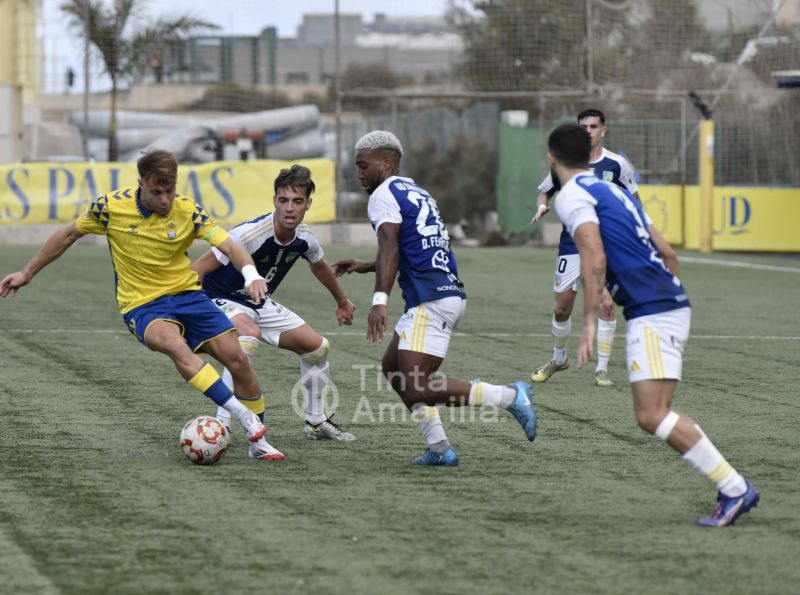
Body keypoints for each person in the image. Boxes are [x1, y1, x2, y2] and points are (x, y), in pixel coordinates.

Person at [0, 149, 283, 461]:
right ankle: (244, 418)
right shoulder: (110, 207)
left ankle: (258, 445)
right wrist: (27, 273)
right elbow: (68, 234)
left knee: (238, 360)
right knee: (175, 346)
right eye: (157, 192)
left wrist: (251, 274)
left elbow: (229, 245)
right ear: (141, 184)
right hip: (143, 305)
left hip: (188, 296)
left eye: (170, 191)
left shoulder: (188, 210)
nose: (166, 200)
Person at [549, 123, 759, 526]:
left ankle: (734, 487)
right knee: (657, 411)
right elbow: (666, 251)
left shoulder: (572, 195)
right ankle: (732, 486)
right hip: (669, 302)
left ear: (552, 159)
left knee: (651, 415)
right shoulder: (614, 191)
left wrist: (590, 318)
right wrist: (648, 291)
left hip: (653, 309)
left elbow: (593, 253)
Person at [332, 130, 537, 466]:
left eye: (363, 165)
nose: (359, 173)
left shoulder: (382, 194)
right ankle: (440, 448)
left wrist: (379, 300)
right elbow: (413, 248)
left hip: (432, 299)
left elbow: (391, 246)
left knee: (419, 388)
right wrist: (365, 266)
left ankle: (510, 396)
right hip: (443, 293)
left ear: (386, 162)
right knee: (392, 368)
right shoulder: (415, 189)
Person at [191, 164, 358, 444]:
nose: (289, 208)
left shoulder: (305, 238)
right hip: (217, 298)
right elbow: (198, 269)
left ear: (308, 204)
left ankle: (316, 422)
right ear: (274, 201)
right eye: (283, 200)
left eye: (297, 201)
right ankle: (223, 423)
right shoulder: (250, 234)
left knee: (317, 348)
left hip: (258, 302)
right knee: (247, 334)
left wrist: (342, 301)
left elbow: (320, 266)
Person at [530, 108, 657, 387]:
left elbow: (634, 198)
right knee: (562, 308)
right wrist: (542, 205)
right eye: (583, 127)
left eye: (593, 126)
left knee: (607, 304)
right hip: (571, 244)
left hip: (606, 243)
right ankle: (559, 358)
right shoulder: (564, 162)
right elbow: (545, 191)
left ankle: (601, 369)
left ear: (603, 130)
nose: (588, 131)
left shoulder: (617, 164)